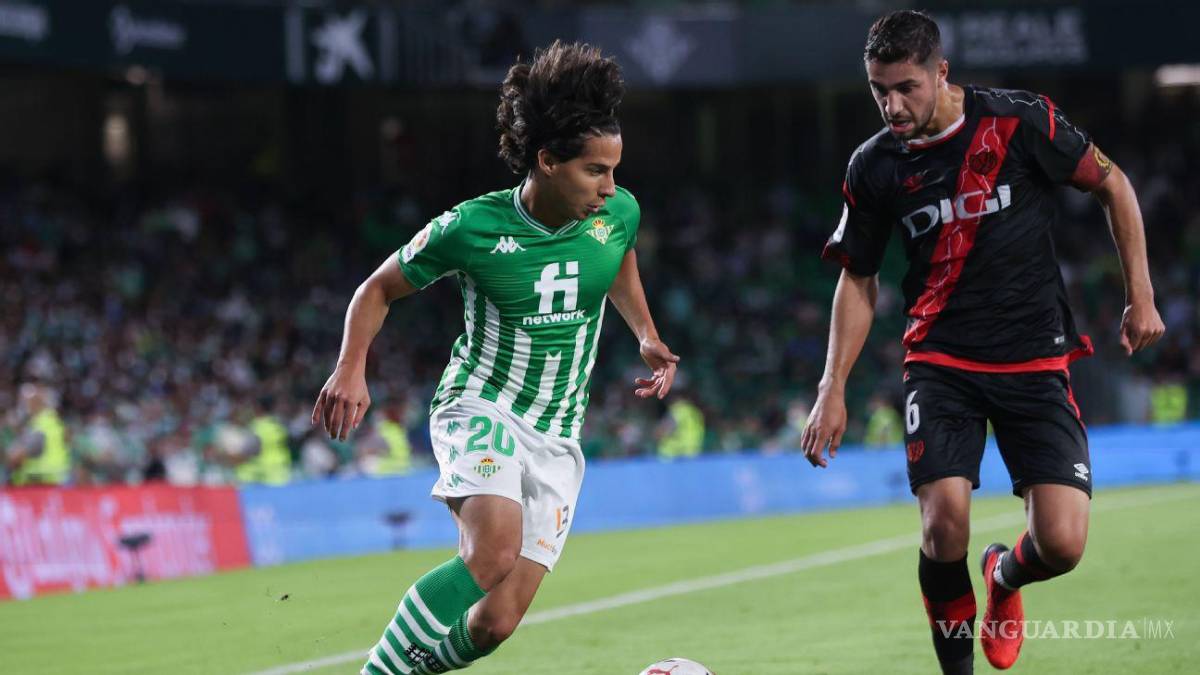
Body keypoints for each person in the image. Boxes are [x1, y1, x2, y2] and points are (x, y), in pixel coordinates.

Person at [800, 10, 1164, 674]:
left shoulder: (1020, 121)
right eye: (879, 90)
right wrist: (833, 385)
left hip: (1035, 357)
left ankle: (1004, 574)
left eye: (906, 87)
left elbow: (1112, 183)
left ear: (941, 72)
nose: (892, 105)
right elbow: (857, 276)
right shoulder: (874, 165)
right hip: (940, 362)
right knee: (943, 524)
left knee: (1062, 545)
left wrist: (1140, 293)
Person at [312, 41, 678, 675]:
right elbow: (377, 288)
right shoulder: (472, 227)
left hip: (558, 434)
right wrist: (350, 366)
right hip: (483, 405)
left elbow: (619, 260)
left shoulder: (618, 213)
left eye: (615, 170)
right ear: (547, 161)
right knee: (491, 553)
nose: (610, 188)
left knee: (493, 624)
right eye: (595, 170)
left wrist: (644, 332)